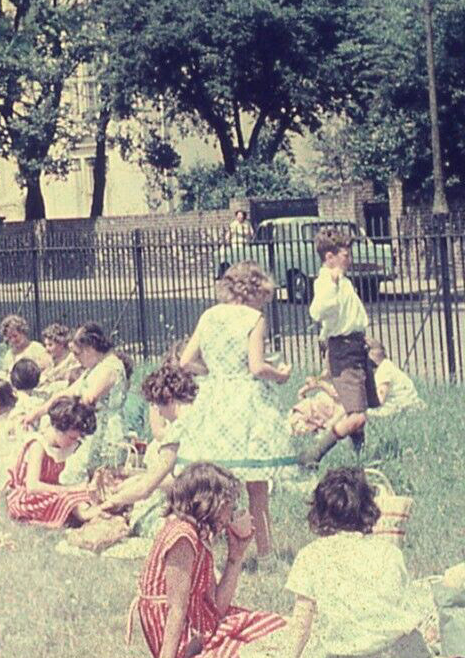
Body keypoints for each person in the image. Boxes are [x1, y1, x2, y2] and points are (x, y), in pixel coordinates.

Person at [240, 467, 437, 658]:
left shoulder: (312, 556)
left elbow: (300, 628)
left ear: (320, 511)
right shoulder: (390, 552)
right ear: (369, 507)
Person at [167, 262, 295, 559]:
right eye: (261, 296)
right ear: (252, 292)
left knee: (214, 479)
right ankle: (265, 552)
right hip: (245, 402)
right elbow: (256, 366)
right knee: (257, 483)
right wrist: (281, 374)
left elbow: (185, 362)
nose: (262, 302)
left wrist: (213, 370)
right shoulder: (254, 318)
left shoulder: (209, 315)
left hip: (215, 398)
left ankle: (205, 549)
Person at [128, 463, 284, 658]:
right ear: (209, 502)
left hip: (195, 622)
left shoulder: (200, 535)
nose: (231, 513)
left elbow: (216, 608)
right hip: (175, 632)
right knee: (251, 649)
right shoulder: (182, 536)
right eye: (229, 505)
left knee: (271, 626)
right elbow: (176, 607)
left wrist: (236, 556)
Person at [306, 227, 378, 465]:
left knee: (357, 410)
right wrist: (333, 286)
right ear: (330, 257)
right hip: (344, 349)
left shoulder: (343, 281)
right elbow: (317, 312)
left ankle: (361, 459)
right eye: (345, 255)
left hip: (356, 347)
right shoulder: (326, 281)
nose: (350, 259)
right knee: (357, 418)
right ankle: (314, 454)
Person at [95, 363, 196, 534]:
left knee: (144, 520)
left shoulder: (176, 431)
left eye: (157, 405)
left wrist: (111, 501)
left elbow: (146, 488)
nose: (159, 413)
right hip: (216, 495)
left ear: (168, 399)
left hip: (196, 502)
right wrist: (133, 482)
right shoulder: (199, 415)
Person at [22, 323, 130, 481]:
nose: (77, 360)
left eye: (78, 354)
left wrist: (63, 415)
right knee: (82, 474)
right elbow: (68, 392)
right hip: (93, 430)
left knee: (97, 475)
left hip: (107, 432)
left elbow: (88, 399)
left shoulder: (110, 368)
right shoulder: (94, 368)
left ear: (90, 348)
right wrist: (38, 412)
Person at [4, 398, 110, 529]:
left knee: (83, 495)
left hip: (48, 491)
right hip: (30, 498)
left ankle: (93, 512)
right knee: (69, 497)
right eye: (71, 438)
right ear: (58, 429)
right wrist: (69, 489)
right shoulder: (38, 445)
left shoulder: (62, 445)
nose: (73, 442)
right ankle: (88, 516)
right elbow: (32, 486)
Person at [367, 338, 424, 417]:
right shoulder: (387, 365)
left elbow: (380, 399)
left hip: (400, 408)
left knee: (363, 414)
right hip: (406, 405)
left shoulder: (383, 370)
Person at [37, 323, 81, 390]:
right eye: (45, 345)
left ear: (61, 344)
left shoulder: (74, 361)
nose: (47, 349)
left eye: (50, 345)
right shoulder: (49, 360)